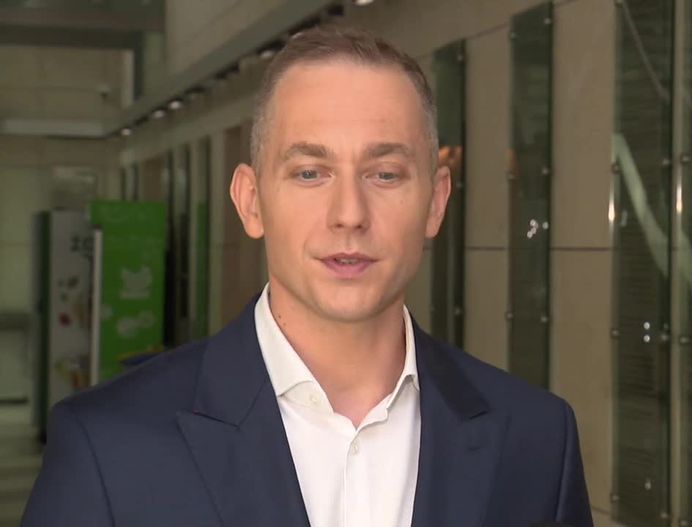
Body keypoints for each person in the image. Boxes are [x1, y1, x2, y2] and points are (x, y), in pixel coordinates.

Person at [22, 26, 592, 527]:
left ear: (436, 202)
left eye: (385, 174)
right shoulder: (110, 444)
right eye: (310, 173)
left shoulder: (537, 440)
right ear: (251, 202)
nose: (349, 213)